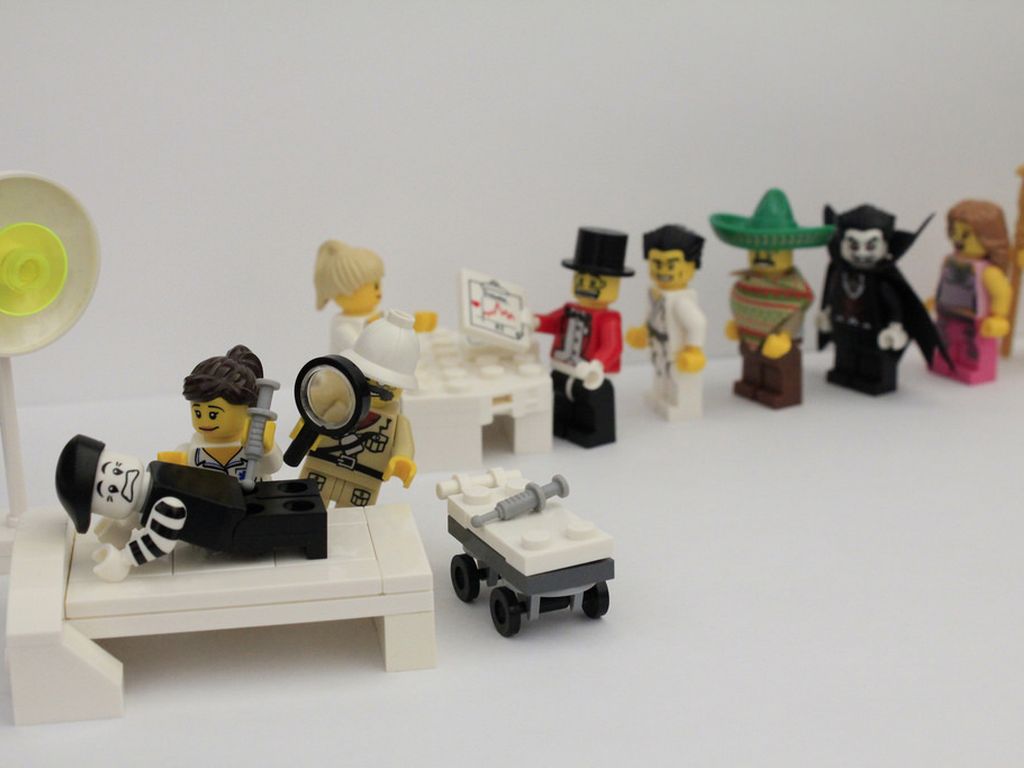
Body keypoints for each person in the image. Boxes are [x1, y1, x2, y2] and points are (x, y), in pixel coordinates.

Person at [159, 345, 282, 481]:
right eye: (198, 413)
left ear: (246, 408)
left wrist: (268, 449)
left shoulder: (252, 441)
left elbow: (272, 467)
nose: (204, 422)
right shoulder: (194, 449)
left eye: (213, 415)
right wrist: (174, 467)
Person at [626, 224, 708, 420]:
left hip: (677, 353)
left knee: (678, 380)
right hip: (659, 346)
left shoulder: (681, 301)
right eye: (657, 263)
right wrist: (643, 333)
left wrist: (693, 349)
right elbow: (652, 316)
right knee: (660, 374)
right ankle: (660, 397)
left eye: (671, 265)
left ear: (690, 267)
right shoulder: (656, 294)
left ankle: (681, 405)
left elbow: (698, 324)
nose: (663, 270)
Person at [314, 239, 436, 353]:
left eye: (378, 284)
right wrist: (373, 330)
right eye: (373, 287)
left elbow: (394, 340)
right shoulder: (343, 328)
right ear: (343, 292)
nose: (378, 292)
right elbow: (362, 351)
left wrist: (412, 328)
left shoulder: (378, 316)